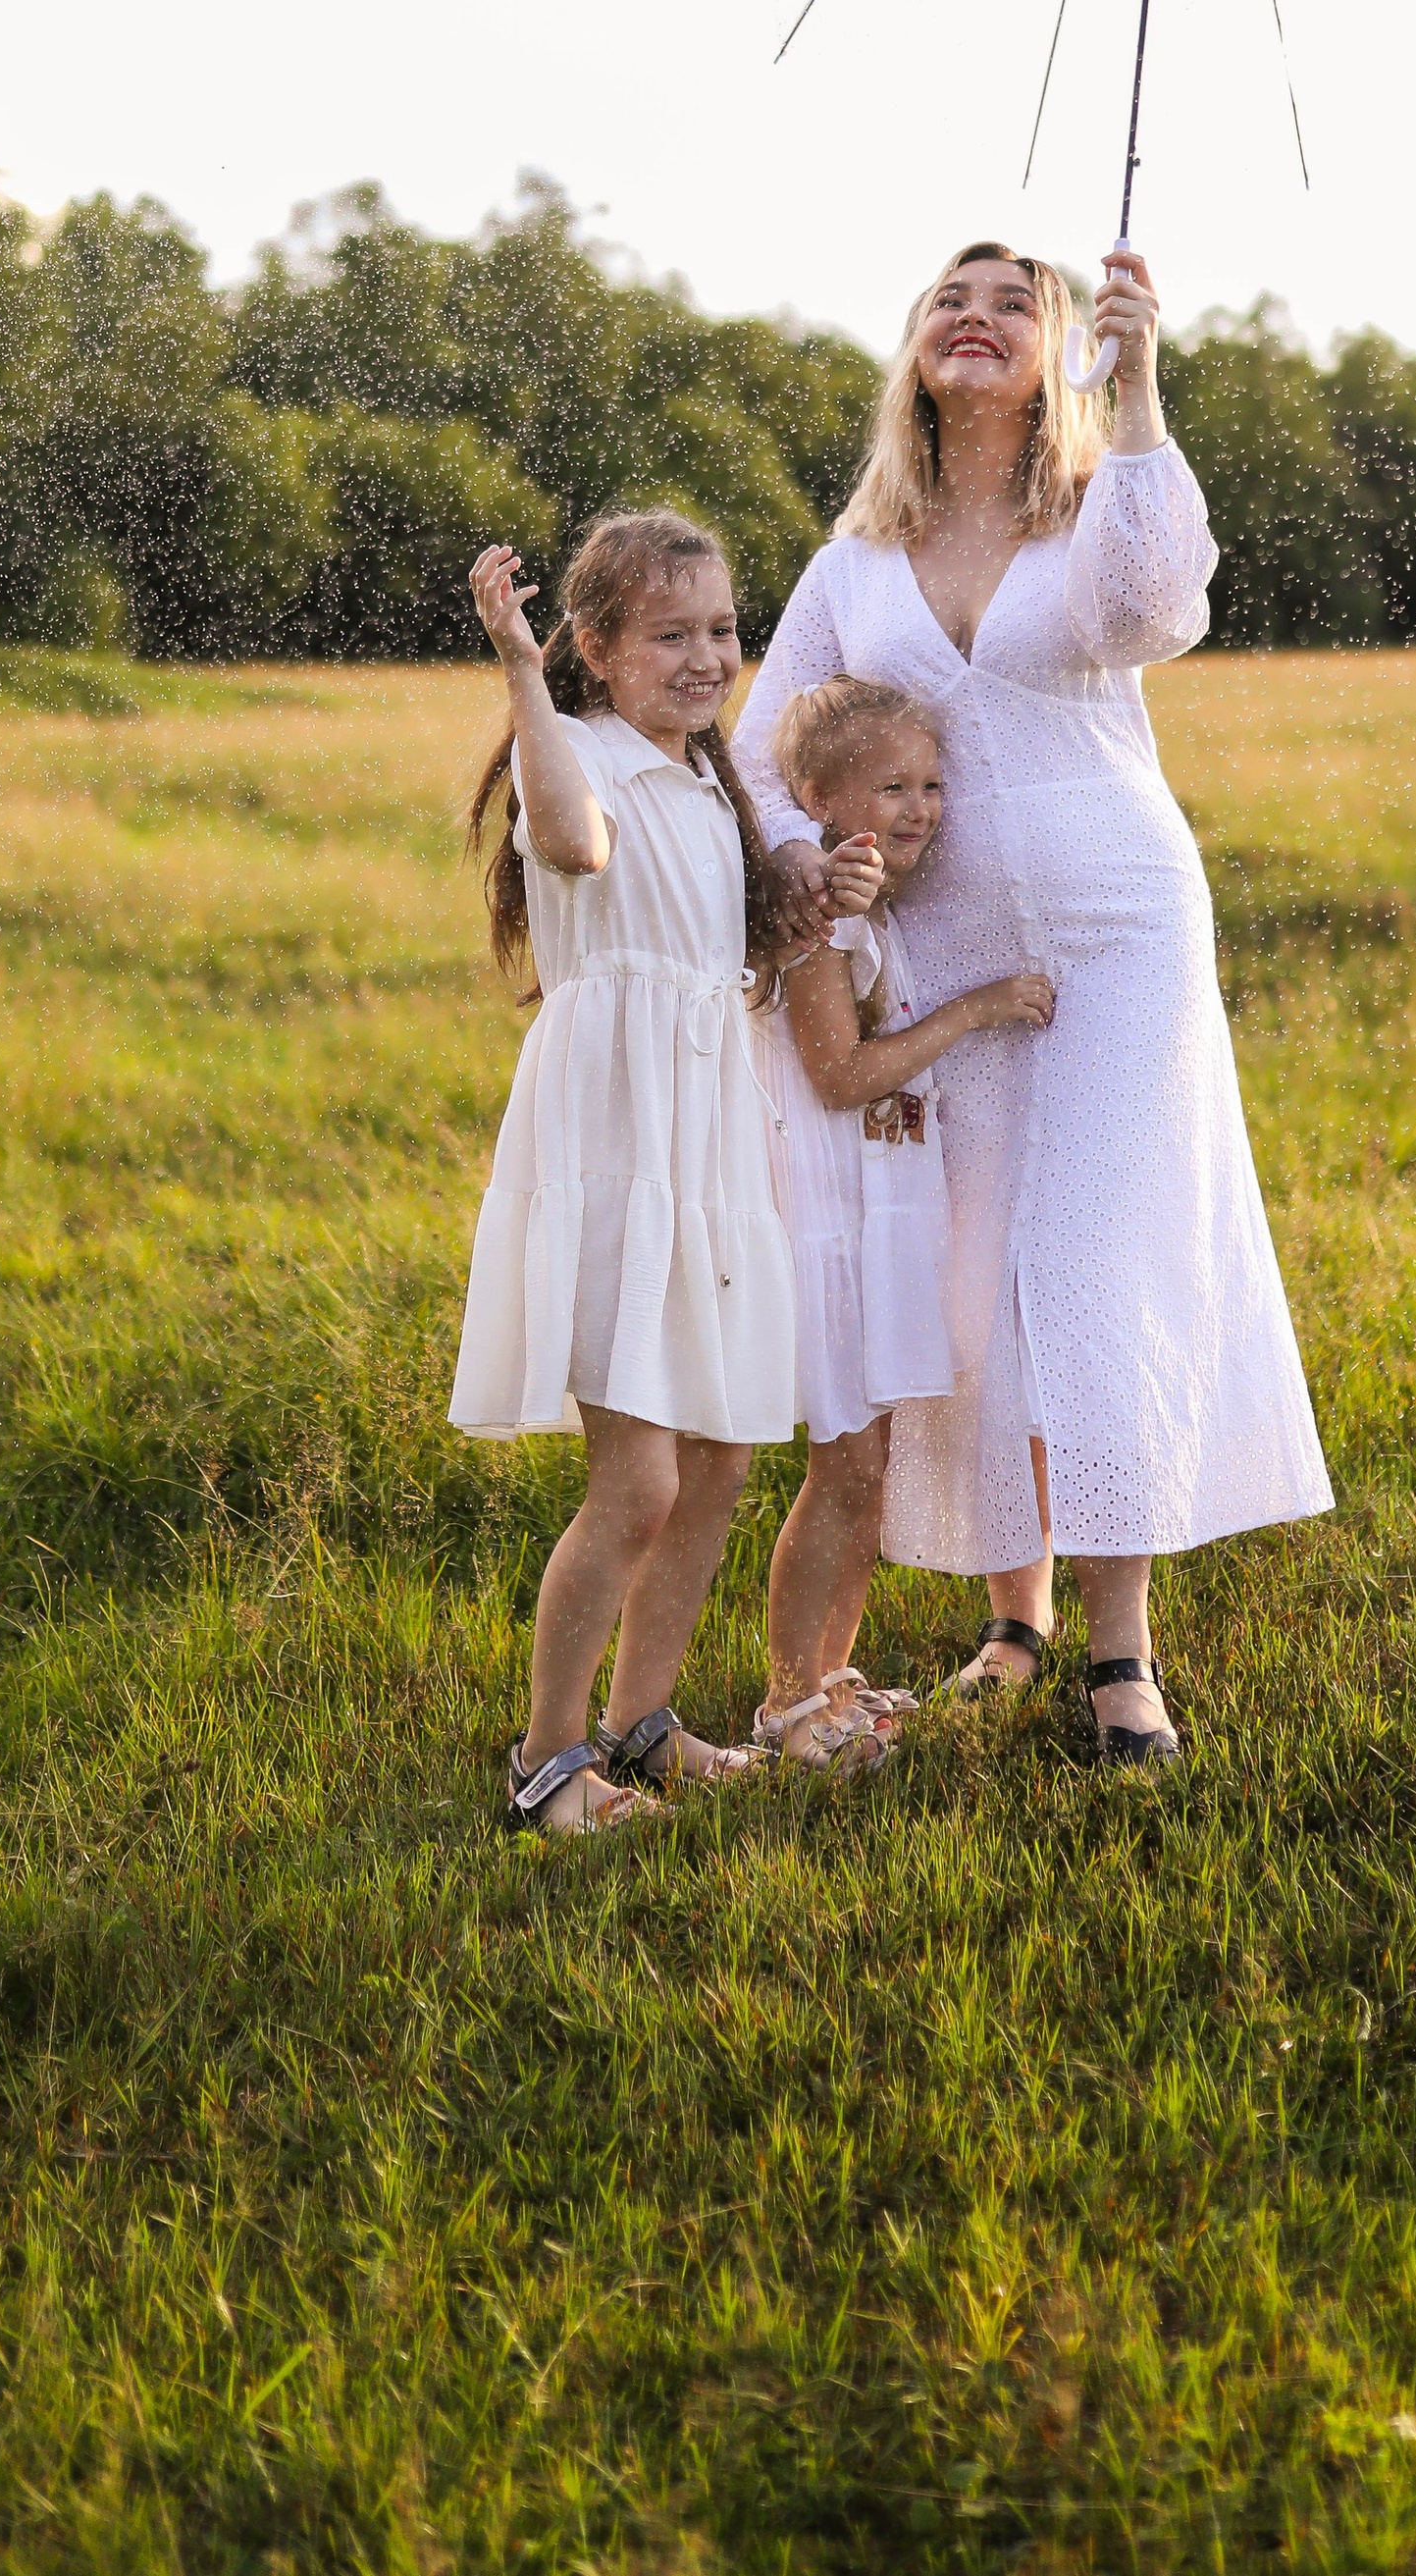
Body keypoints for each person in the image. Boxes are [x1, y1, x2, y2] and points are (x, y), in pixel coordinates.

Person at [735, 242, 1333, 1762]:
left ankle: (1122, 1653)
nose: (979, 318)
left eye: (1018, 303)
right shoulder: (855, 559)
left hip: (1119, 939)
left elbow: (1154, 612)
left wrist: (1137, 392)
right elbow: (760, 752)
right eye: (953, 299)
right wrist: (817, 868)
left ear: (1060, 349)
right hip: (942, 962)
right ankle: (1018, 1615)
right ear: (916, 353)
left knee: (1099, 1264)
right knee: (979, 1274)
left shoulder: (1100, 511)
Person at [450, 507, 861, 1836]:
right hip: (621, 1149)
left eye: (723, 632)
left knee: (724, 1454)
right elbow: (573, 849)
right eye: (669, 635)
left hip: (712, 1145)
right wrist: (521, 672)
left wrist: (829, 890)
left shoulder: (707, 781)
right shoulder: (575, 754)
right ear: (597, 650)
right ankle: (548, 1764)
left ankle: (645, 1721)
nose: (705, 657)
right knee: (637, 1481)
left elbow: (734, 959)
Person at [754, 673, 1055, 1771]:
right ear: (816, 796)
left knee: (865, 1475)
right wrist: (975, 1011)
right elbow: (837, 1075)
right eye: (892, 786)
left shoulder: (868, 908)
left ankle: (830, 1685)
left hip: (875, 1221)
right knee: (839, 1473)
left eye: (931, 783)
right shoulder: (820, 920)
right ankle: (791, 1707)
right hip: (828, 1225)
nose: (921, 806)